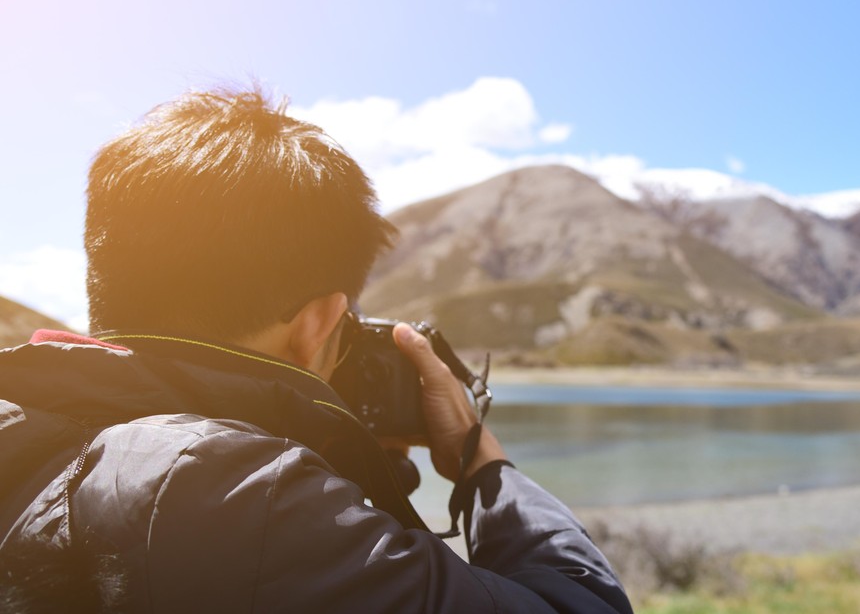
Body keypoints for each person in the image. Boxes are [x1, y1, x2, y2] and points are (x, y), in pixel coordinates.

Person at [0, 87, 632, 613]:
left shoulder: (24, 429)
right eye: (345, 332)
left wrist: (342, 464)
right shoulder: (244, 497)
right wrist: (480, 462)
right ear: (320, 321)